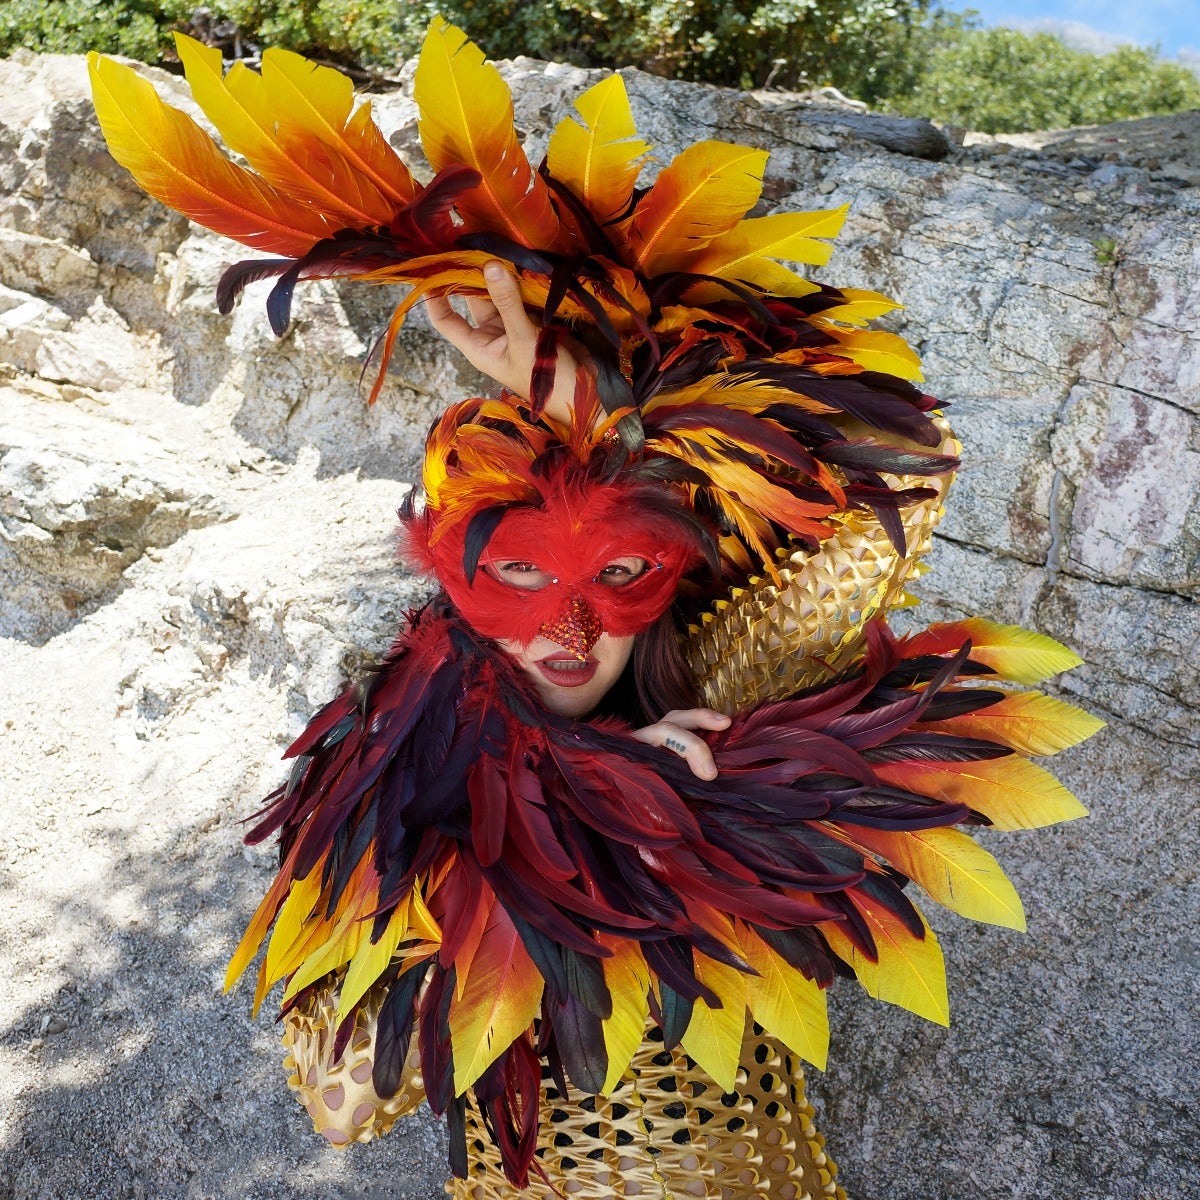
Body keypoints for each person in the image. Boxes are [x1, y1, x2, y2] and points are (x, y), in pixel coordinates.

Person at [89, 20, 1101, 1199]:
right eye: (518, 577)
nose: (568, 633)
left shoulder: (724, 685)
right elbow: (339, 1098)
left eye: (614, 579)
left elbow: (910, 472)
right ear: (452, 579)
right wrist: (588, 800)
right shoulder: (384, 774)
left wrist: (587, 393)